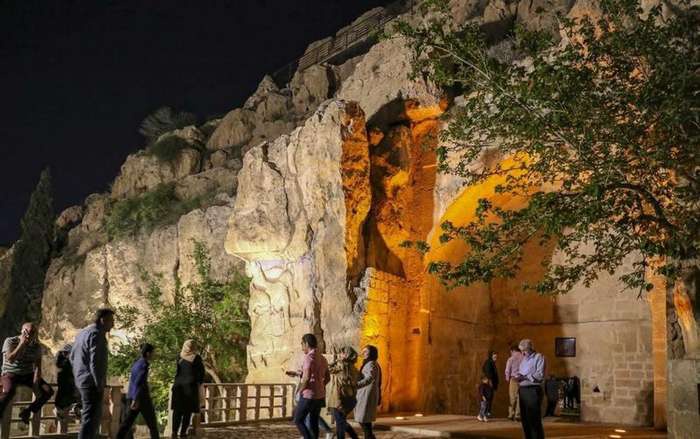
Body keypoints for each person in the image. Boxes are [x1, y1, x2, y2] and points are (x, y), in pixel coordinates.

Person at [71, 308, 114, 439]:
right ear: (103, 320)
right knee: (91, 418)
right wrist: (99, 382)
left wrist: (78, 375)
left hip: (81, 380)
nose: (113, 324)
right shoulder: (97, 334)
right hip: (91, 382)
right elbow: (95, 362)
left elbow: (72, 356)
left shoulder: (82, 333)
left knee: (89, 416)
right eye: (111, 321)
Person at [0, 322, 54, 424]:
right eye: (28, 332)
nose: (30, 335)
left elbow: (38, 366)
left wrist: (36, 382)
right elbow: (10, 359)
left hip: (27, 374)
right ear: (22, 331)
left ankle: (27, 411)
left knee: (48, 391)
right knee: (9, 391)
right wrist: (22, 343)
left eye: (33, 332)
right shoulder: (10, 341)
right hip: (10, 373)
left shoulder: (36, 346)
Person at [116, 344, 159, 439]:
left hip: (132, 396)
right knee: (152, 424)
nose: (154, 354)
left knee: (127, 423)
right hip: (141, 398)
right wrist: (135, 399)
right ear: (148, 353)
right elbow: (138, 382)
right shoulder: (143, 365)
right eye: (153, 352)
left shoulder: (137, 363)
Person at [292, 333, 330, 439]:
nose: (301, 347)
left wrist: (299, 391)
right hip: (320, 396)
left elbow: (306, 378)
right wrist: (320, 386)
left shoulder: (308, 358)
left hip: (308, 395)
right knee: (314, 421)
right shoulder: (322, 358)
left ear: (307, 343)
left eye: (302, 344)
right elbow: (328, 378)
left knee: (298, 419)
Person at [171, 339, 205, 438]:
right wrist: (198, 382)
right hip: (190, 388)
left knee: (177, 411)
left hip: (178, 387)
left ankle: (174, 432)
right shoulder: (196, 358)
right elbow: (201, 373)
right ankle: (183, 433)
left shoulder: (179, 356)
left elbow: (177, 372)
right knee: (187, 412)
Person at [515, 339, 546, 439]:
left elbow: (540, 375)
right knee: (525, 420)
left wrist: (525, 377)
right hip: (523, 390)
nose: (522, 353)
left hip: (532, 390)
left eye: (524, 350)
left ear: (530, 349)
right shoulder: (524, 359)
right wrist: (518, 376)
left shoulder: (539, 357)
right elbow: (522, 372)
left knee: (533, 419)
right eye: (521, 351)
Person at [326, 346, 359, 439]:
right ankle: (355, 437)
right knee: (342, 421)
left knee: (340, 423)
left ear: (347, 355)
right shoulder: (352, 367)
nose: (340, 354)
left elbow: (327, 369)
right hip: (349, 398)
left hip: (339, 399)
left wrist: (336, 360)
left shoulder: (343, 366)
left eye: (342, 353)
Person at [355, 345, 382, 439]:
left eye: (366, 351)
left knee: (364, 420)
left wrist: (356, 385)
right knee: (364, 420)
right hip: (364, 393)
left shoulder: (371, 364)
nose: (363, 353)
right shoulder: (369, 363)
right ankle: (370, 437)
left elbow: (369, 378)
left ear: (371, 353)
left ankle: (369, 437)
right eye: (363, 351)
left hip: (367, 394)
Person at [55, 344, 80, 420]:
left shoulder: (62, 360)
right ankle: (76, 408)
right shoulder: (66, 361)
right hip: (68, 382)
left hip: (67, 383)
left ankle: (76, 409)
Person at [504, 344, 522, 421]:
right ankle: (518, 415)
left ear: (512, 350)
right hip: (522, 380)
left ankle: (511, 414)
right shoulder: (524, 357)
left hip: (514, 379)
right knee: (520, 398)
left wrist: (507, 378)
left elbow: (507, 370)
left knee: (512, 398)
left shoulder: (511, 359)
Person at [481, 351, 498, 416]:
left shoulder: (491, 362)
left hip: (489, 383)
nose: (496, 357)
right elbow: (488, 374)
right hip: (489, 384)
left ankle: (486, 413)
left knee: (489, 399)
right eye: (494, 356)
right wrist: (490, 382)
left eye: (496, 356)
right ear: (491, 356)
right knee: (487, 399)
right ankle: (484, 413)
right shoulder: (489, 363)